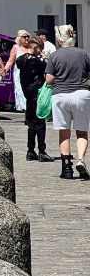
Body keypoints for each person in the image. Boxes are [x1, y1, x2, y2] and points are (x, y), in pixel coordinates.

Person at [45, 24, 90, 180]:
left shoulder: (55, 56)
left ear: (59, 40)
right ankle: (81, 160)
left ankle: (66, 169)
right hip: (81, 94)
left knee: (64, 132)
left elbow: (49, 79)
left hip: (61, 95)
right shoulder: (83, 54)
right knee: (82, 132)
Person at [16, 36, 53, 162]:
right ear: (36, 47)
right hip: (37, 94)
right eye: (40, 49)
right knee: (40, 123)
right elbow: (47, 72)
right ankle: (42, 151)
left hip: (28, 94)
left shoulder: (21, 59)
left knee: (31, 124)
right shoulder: (36, 62)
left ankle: (30, 150)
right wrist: (44, 59)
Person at [4, 30, 31, 112]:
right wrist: (4, 70)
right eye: (24, 37)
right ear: (20, 38)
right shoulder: (16, 47)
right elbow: (10, 61)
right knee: (20, 90)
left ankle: (30, 108)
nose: (26, 39)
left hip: (30, 73)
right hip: (19, 74)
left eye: (28, 37)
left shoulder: (31, 47)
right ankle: (25, 108)